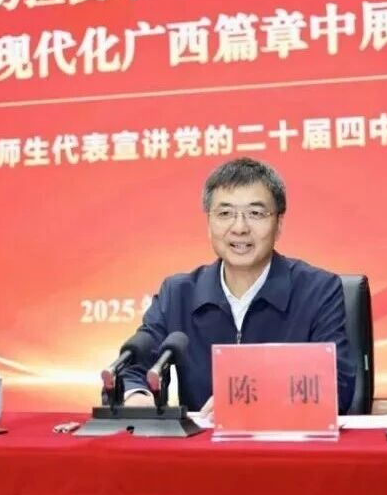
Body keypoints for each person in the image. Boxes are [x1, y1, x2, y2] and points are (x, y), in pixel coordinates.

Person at [120, 157, 355, 414]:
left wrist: (249, 400)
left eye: (256, 213)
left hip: (286, 438)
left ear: (279, 224)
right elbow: (132, 367)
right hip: (206, 440)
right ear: (209, 223)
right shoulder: (178, 294)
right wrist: (137, 395)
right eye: (225, 214)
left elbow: (338, 385)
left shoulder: (318, 290)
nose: (240, 228)